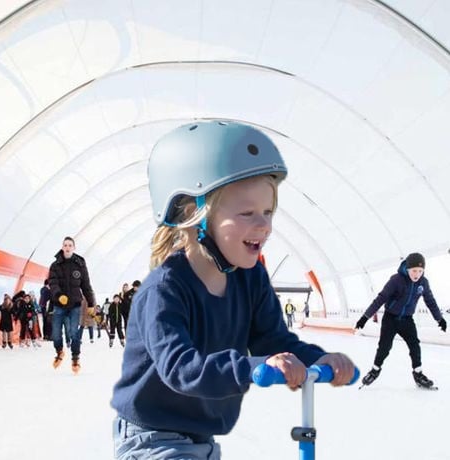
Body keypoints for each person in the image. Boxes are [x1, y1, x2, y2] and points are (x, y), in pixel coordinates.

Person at [111, 120, 355, 459]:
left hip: (201, 439)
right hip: (152, 438)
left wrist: (318, 359)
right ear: (192, 214)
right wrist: (252, 366)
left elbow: (274, 340)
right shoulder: (165, 289)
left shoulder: (250, 278)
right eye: (247, 212)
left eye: (268, 212)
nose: (264, 225)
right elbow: (181, 368)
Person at [355, 252, 446, 389]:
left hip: (407, 320)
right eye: (414, 270)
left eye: (420, 271)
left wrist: (440, 319)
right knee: (385, 347)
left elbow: (430, 302)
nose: (417, 274)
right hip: (390, 318)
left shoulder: (423, 283)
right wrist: (364, 318)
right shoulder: (396, 280)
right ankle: (375, 369)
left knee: (414, 345)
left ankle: (418, 373)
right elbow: (380, 299)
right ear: (407, 269)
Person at [48, 236, 96, 373]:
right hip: (59, 304)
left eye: (70, 245)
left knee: (74, 333)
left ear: (74, 248)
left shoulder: (80, 264)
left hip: (75, 304)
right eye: (65, 245)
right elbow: (52, 282)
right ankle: (59, 352)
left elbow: (86, 285)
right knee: (56, 334)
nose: (67, 247)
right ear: (62, 247)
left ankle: (75, 358)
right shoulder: (55, 265)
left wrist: (91, 303)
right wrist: (58, 295)